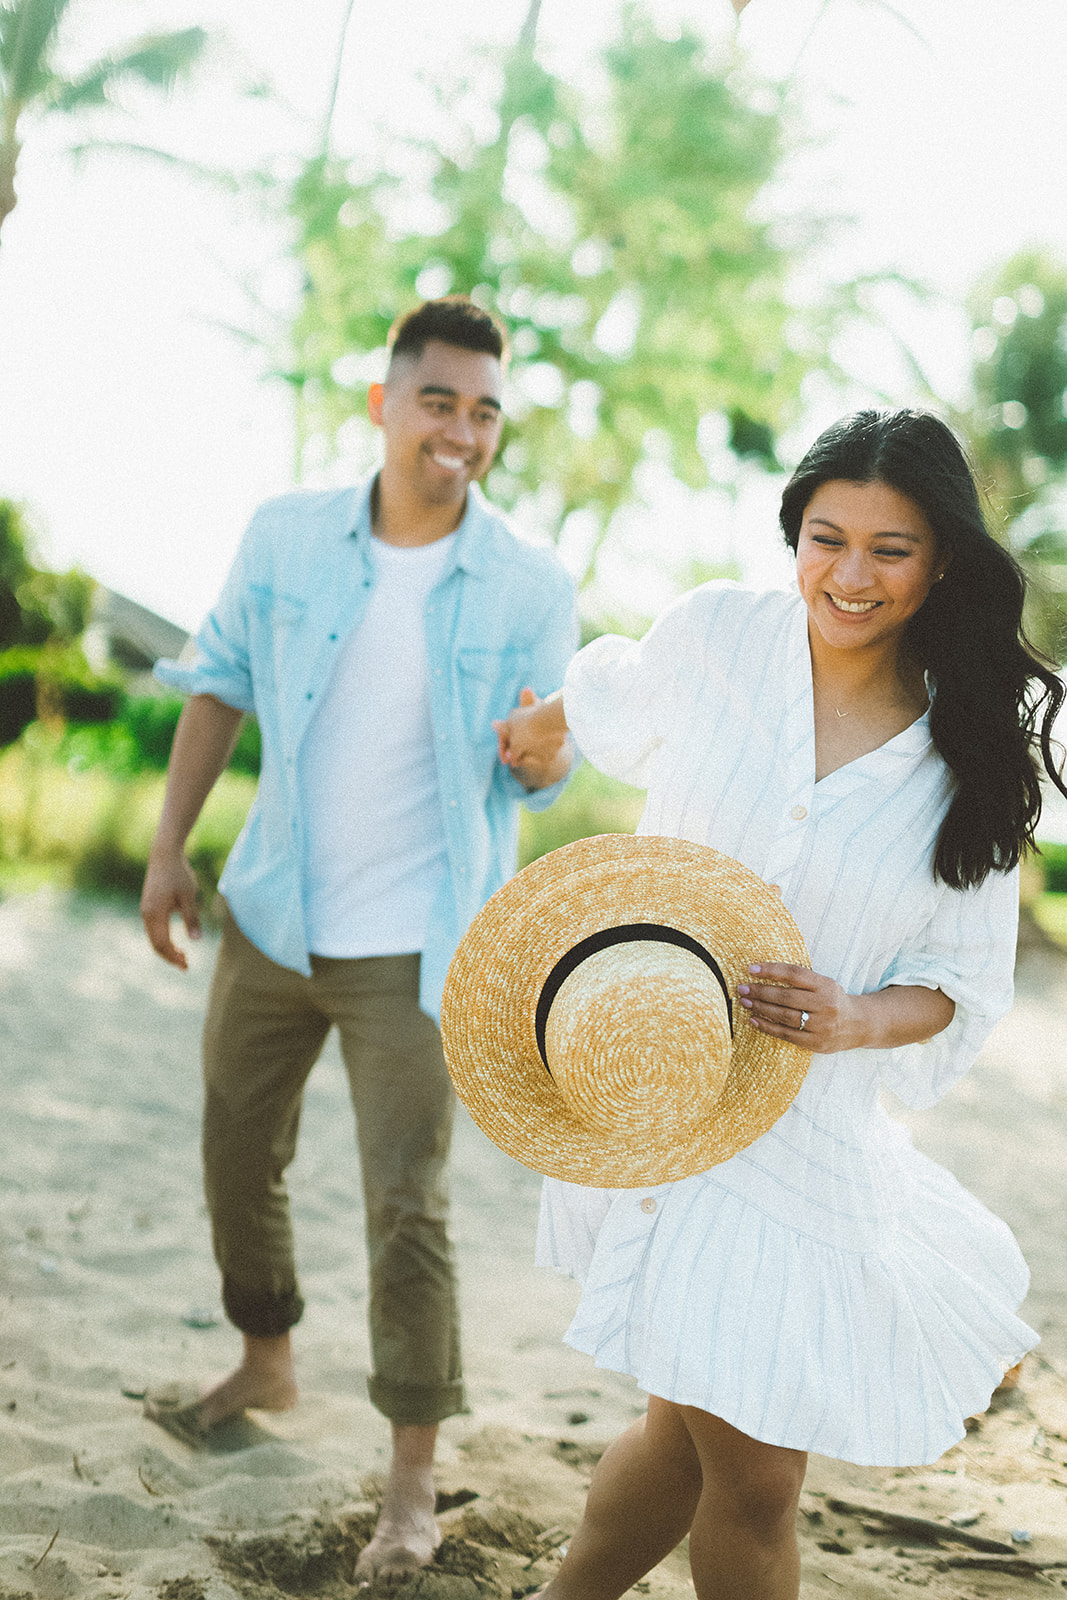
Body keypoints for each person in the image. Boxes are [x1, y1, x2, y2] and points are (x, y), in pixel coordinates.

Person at [492, 407, 1067, 1600]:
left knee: (694, 1443)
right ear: (790, 534)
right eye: (824, 537)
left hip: (803, 1140)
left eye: (888, 549)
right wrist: (535, 732)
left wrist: (857, 1017)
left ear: (942, 559)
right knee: (743, 1467)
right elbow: (612, 694)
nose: (847, 575)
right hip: (656, 1094)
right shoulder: (717, 636)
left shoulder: (969, 751)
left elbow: (957, 987)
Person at [139, 295, 577, 1581]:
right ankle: (266, 1354)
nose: (463, 429)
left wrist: (545, 756)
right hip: (276, 910)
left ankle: (409, 1479)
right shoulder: (284, 535)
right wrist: (170, 851)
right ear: (385, 404)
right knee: (235, 1141)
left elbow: (537, 768)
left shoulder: (532, 582)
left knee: (407, 1204)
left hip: (422, 945)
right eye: (439, 400)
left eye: (486, 409)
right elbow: (215, 679)